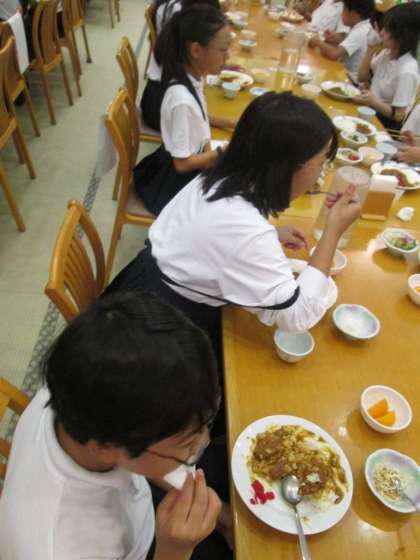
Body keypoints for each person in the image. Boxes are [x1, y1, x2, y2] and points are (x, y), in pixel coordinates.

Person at [106, 92, 362, 360]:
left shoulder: (223, 174)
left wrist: (271, 234)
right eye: (320, 165)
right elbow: (297, 315)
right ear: (287, 168)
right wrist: (333, 230)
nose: (320, 175)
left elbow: (215, 235)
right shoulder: (246, 230)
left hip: (140, 285)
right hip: (156, 330)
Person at [0, 292, 233, 560]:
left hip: (140, 499)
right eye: (188, 446)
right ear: (106, 448)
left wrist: (220, 513)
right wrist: (174, 550)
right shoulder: (59, 547)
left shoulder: (79, 384)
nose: (201, 441)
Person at [134, 5, 235, 216]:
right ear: (196, 50)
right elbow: (181, 164)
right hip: (172, 187)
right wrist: (222, 152)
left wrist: (230, 123)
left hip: (181, 170)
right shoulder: (182, 100)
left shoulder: (192, 77)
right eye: (223, 49)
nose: (228, 56)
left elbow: (198, 117)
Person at [141, 0, 223, 131]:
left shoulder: (182, 19)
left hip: (154, 97)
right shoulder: (180, 23)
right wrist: (229, 123)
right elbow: (194, 115)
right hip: (158, 109)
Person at [355, 3, 420, 130]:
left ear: (403, 36)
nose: (381, 33)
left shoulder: (407, 69)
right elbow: (361, 77)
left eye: (387, 30)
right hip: (369, 112)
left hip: (384, 126)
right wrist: (370, 48)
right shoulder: (386, 53)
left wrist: (374, 101)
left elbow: (399, 116)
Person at [308, 0, 374, 81]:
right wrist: (335, 39)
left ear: (353, 14)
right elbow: (346, 46)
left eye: (344, 10)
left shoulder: (360, 32)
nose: (342, 14)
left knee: (314, 73)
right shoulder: (362, 26)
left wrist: (318, 42)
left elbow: (334, 54)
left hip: (350, 80)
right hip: (342, 72)